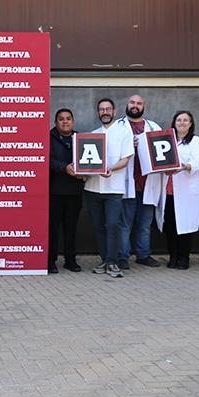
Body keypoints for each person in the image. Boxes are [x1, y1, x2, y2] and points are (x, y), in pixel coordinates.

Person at [84, 98, 134, 278]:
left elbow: (126, 159)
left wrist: (111, 169)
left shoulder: (123, 131)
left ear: (114, 111)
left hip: (114, 188)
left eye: (108, 109)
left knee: (112, 225)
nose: (104, 112)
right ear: (98, 113)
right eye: (101, 109)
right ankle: (104, 260)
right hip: (93, 188)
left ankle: (113, 261)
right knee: (98, 227)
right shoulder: (92, 134)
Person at [149, 111, 199, 270]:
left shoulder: (196, 141)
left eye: (185, 120)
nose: (182, 123)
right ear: (174, 123)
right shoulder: (167, 140)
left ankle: (184, 258)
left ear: (191, 123)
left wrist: (185, 167)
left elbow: (197, 161)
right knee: (170, 226)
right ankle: (172, 257)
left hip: (187, 190)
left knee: (185, 226)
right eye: (179, 120)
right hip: (168, 189)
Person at [116, 95, 162, 269]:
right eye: (132, 103)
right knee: (125, 224)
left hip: (148, 183)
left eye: (139, 103)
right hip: (127, 183)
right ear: (127, 105)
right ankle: (122, 256)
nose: (135, 106)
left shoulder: (154, 127)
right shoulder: (118, 127)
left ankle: (143, 255)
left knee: (144, 224)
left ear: (144, 106)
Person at [48, 108, 83, 274]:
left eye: (68, 118)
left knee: (72, 228)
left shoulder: (81, 138)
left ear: (73, 121)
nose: (65, 121)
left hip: (75, 191)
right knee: (52, 229)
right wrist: (64, 168)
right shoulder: (48, 137)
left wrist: (86, 173)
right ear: (56, 122)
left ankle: (70, 260)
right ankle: (50, 260)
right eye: (61, 119)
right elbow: (47, 159)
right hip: (54, 191)